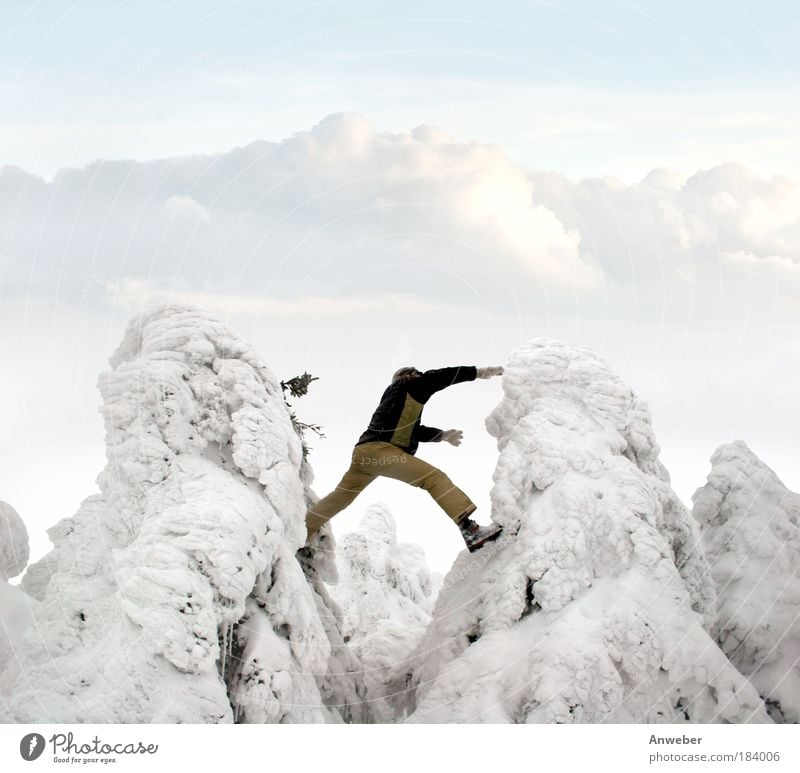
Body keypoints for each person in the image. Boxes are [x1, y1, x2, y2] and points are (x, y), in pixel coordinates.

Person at [304, 364, 505, 553]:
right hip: (381, 451)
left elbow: (413, 431)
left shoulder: (395, 400)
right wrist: (477, 372)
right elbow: (439, 377)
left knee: (340, 497)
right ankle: (471, 531)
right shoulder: (410, 385)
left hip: (363, 454)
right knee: (434, 478)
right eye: (418, 374)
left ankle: (300, 531)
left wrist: (441, 435)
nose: (421, 376)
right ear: (410, 375)